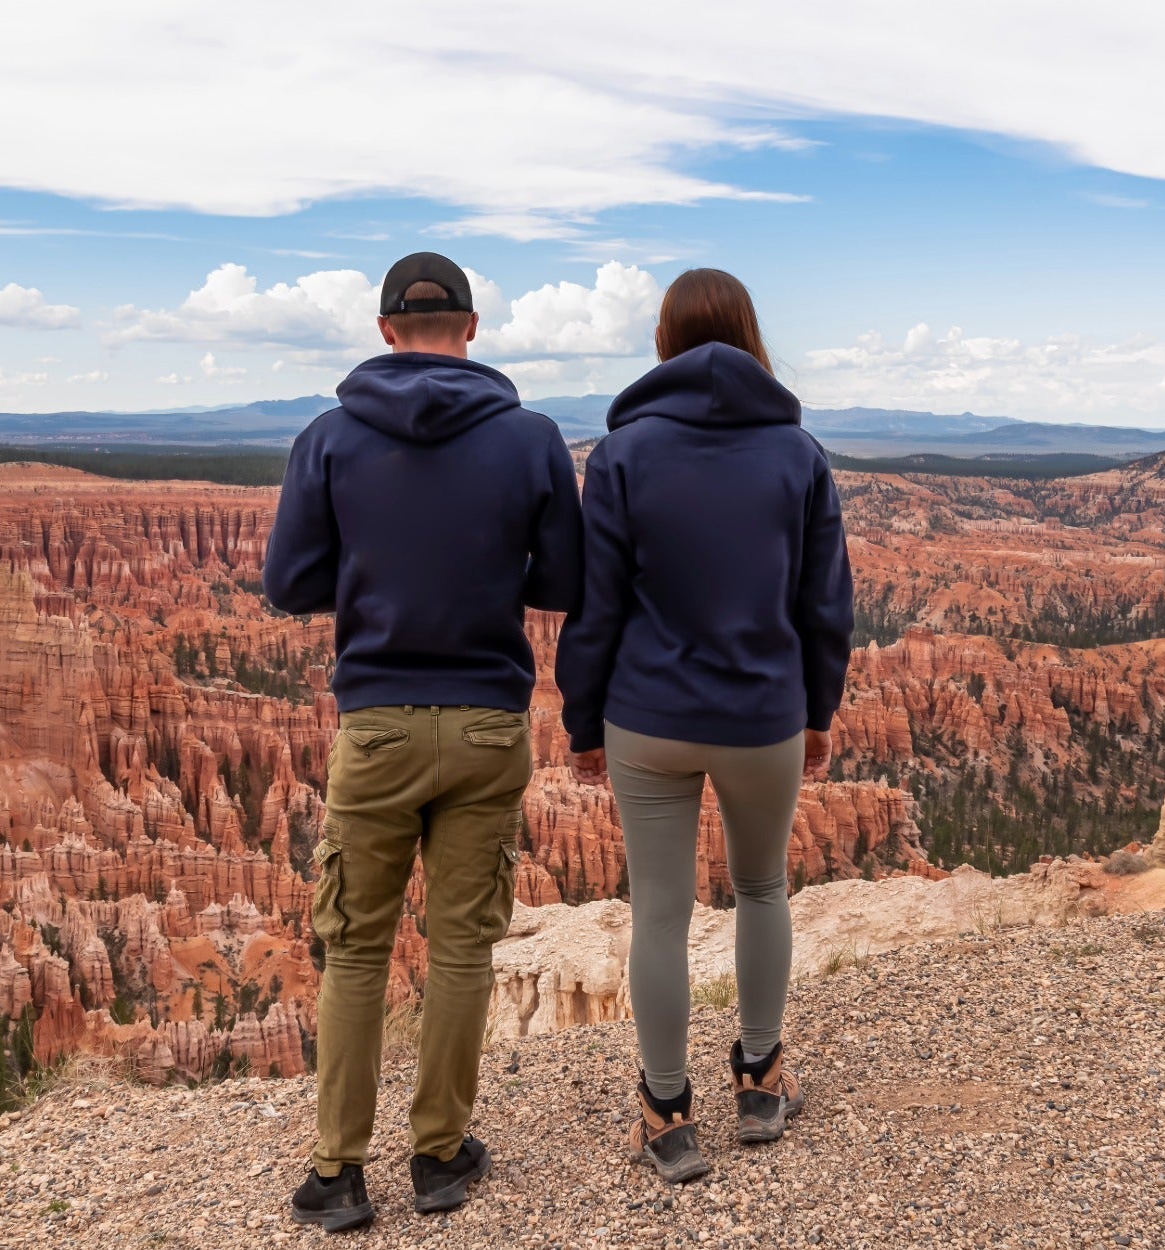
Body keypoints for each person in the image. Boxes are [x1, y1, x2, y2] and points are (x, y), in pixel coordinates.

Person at [264, 251, 583, 1231]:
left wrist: (372, 577)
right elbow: (565, 581)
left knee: (356, 950)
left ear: (386, 328)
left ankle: (339, 1172)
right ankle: (441, 1154)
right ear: (474, 329)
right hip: (488, 721)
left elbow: (289, 583)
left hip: (380, 723)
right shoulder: (530, 439)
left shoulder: (328, 437)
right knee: (460, 947)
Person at [555, 268, 855, 1183]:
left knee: (660, 910)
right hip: (764, 714)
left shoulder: (620, 456)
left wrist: (583, 720)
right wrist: (819, 708)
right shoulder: (796, 454)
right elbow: (824, 606)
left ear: (664, 339)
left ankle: (666, 1113)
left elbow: (595, 609)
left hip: (648, 716)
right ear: (751, 334)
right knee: (762, 890)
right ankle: (762, 1085)